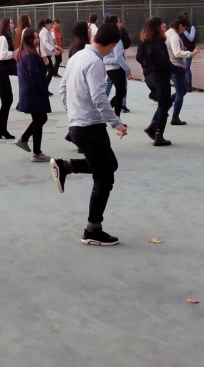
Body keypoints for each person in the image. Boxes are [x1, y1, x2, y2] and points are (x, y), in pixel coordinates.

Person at [51, 23, 128, 246]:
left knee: (110, 165)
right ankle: (93, 230)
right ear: (112, 45)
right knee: (104, 178)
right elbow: (99, 97)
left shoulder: (76, 57)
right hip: (91, 127)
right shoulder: (95, 62)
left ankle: (66, 166)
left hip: (79, 126)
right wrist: (117, 123)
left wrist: (72, 113)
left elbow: (62, 89)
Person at [136, 17, 185, 147]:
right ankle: (159, 135)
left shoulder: (143, 42)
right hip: (160, 77)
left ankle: (153, 126)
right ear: (157, 27)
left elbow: (138, 57)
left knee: (164, 103)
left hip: (149, 77)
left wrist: (146, 67)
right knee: (164, 106)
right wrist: (177, 70)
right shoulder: (158, 42)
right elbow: (164, 62)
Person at [16, 27, 51, 162]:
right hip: (34, 92)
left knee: (39, 119)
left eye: (38, 37)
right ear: (28, 39)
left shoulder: (23, 53)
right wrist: (43, 88)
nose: (37, 40)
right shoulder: (31, 54)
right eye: (34, 38)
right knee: (40, 119)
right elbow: (35, 74)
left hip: (28, 91)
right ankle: (35, 150)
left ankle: (28, 143)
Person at [165, 17, 200, 126]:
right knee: (180, 92)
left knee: (183, 90)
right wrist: (191, 53)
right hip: (175, 66)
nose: (184, 30)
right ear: (180, 26)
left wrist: (182, 48)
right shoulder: (174, 36)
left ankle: (166, 105)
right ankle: (175, 117)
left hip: (170, 64)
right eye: (184, 28)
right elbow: (177, 53)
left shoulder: (168, 33)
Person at [103, 16, 132, 119]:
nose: (120, 24)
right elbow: (119, 57)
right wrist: (128, 69)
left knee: (120, 92)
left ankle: (109, 113)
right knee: (121, 93)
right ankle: (114, 116)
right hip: (117, 68)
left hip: (109, 68)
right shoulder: (116, 38)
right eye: (119, 22)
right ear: (114, 24)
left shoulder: (105, 36)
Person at [38, 18, 57, 91]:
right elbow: (45, 43)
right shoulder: (44, 32)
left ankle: (44, 88)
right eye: (50, 24)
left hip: (46, 55)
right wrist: (53, 49)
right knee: (50, 71)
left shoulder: (46, 32)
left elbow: (49, 43)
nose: (51, 25)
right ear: (46, 24)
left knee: (45, 72)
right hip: (44, 55)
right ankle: (44, 88)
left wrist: (57, 47)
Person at [179, 14, 196, 89]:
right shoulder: (179, 28)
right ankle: (184, 82)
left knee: (186, 67)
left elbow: (191, 38)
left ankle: (189, 84)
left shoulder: (192, 27)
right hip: (181, 50)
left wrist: (184, 31)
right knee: (181, 67)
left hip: (189, 51)